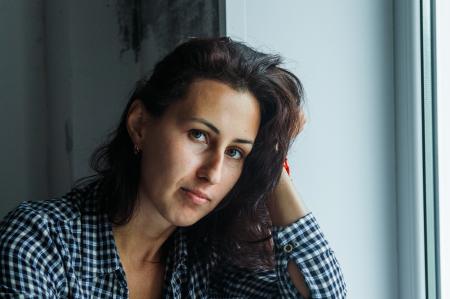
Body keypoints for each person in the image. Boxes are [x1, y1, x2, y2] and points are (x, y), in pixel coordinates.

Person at [0, 37, 346, 298]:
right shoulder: (40, 241)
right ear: (140, 124)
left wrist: (272, 163)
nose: (212, 172)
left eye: (236, 153)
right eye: (199, 135)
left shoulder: (209, 264)